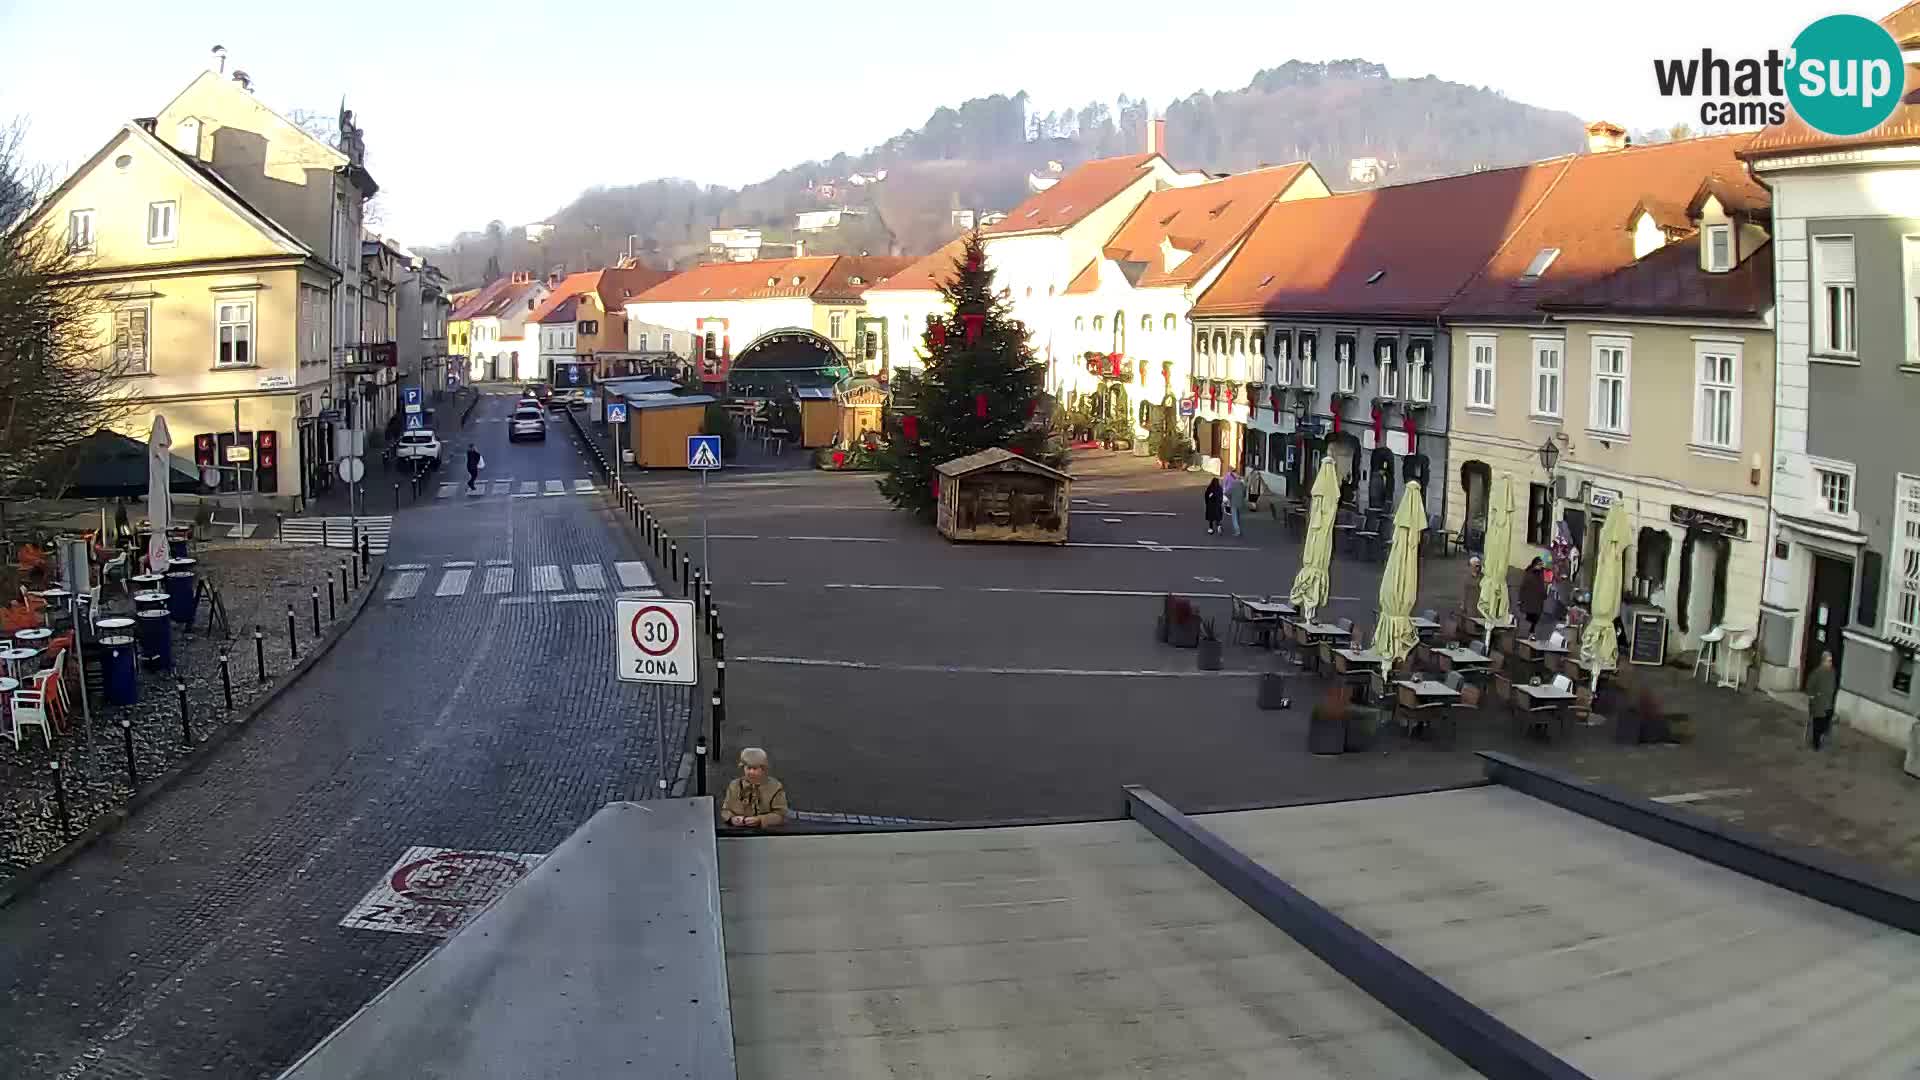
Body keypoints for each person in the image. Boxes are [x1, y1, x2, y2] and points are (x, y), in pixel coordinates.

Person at [722, 747, 789, 829]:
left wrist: (760, 820)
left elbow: (780, 815)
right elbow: (726, 810)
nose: (751, 772)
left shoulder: (775, 787)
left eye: (755, 768)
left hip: (766, 833)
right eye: (748, 768)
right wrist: (732, 819)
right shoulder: (734, 785)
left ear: (763, 769)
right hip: (738, 832)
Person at [1805, 650, 1838, 750]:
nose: (1830, 663)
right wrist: (1813, 696)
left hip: (1828, 703)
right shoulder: (1816, 673)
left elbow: (1833, 684)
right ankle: (1816, 744)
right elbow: (1809, 687)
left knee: (1826, 724)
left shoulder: (1832, 672)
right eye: (1828, 661)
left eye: (1831, 661)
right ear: (1823, 661)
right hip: (1818, 704)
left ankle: (1821, 737)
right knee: (1817, 724)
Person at [1519, 556, 1548, 637]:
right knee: (1530, 620)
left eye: (1541, 564)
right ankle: (1528, 635)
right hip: (1530, 602)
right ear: (1535, 564)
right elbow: (1523, 587)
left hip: (1537, 602)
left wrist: (1544, 595)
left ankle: (1531, 634)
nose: (1541, 566)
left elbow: (1541, 586)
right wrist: (1521, 600)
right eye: (1539, 564)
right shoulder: (1529, 573)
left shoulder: (1540, 573)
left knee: (1534, 620)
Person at [1224, 470, 1247, 537]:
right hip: (1240, 503)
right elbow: (1244, 494)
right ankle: (1239, 529)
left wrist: (1229, 498)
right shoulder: (1242, 485)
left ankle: (1237, 531)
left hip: (1234, 503)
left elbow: (1227, 493)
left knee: (1234, 518)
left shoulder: (1233, 484)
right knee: (1238, 517)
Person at [1462, 556, 1484, 623]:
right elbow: (1464, 591)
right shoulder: (1467, 577)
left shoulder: (1483, 577)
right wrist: (1463, 603)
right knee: (1470, 619)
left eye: (1478, 565)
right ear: (1471, 566)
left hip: (1480, 602)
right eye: (1475, 566)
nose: (1477, 567)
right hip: (1470, 603)